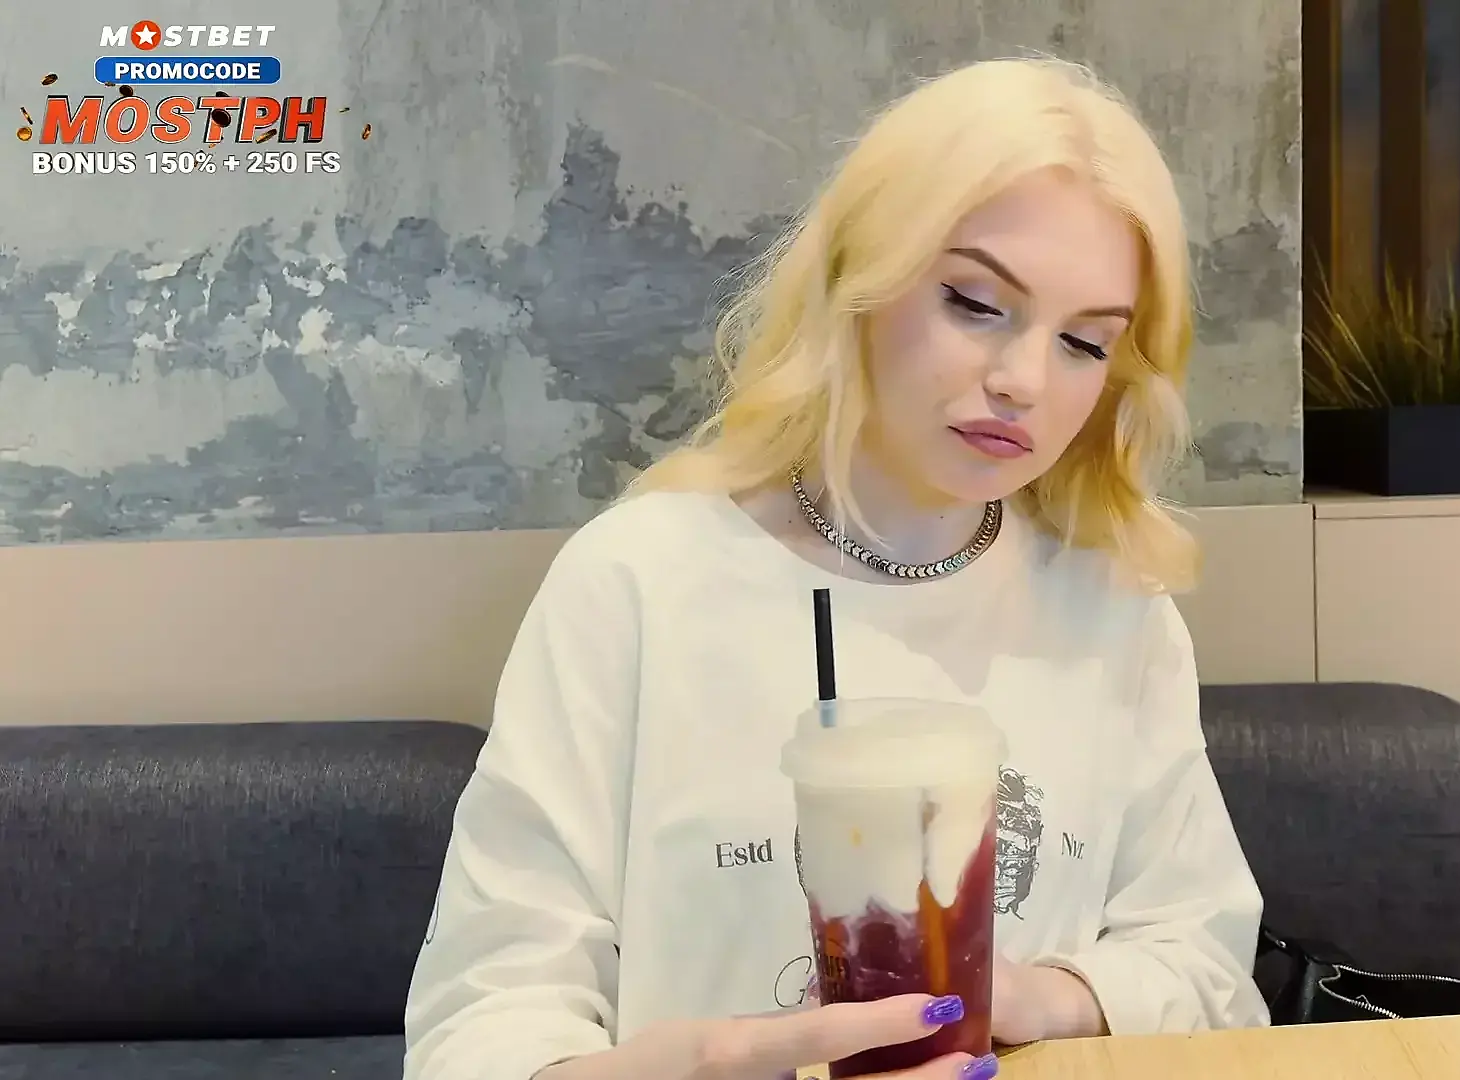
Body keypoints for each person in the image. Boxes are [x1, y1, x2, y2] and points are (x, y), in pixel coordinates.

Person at [402, 54, 1270, 1080]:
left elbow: (1209, 969)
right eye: (975, 302)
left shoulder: (1112, 610)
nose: (1024, 381)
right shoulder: (639, 583)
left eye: (1085, 343)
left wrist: (1033, 995)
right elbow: (482, 1023)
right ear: (859, 280)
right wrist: (705, 1061)